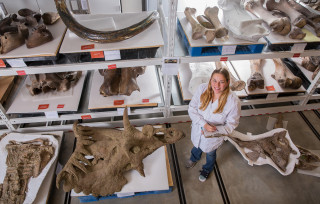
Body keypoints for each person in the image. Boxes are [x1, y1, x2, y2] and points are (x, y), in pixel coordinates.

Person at [186, 67, 241, 182]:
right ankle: (194, 158)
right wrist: (203, 124)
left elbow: (231, 124)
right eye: (214, 81)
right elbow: (192, 108)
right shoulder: (202, 89)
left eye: (221, 82)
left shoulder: (233, 102)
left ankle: (207, 168)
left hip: (213, 137)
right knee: (196, 146)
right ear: (210, 80)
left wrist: (214, 130)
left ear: (227, 82)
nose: (217, 85)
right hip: (197, 130)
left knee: (210, 154)